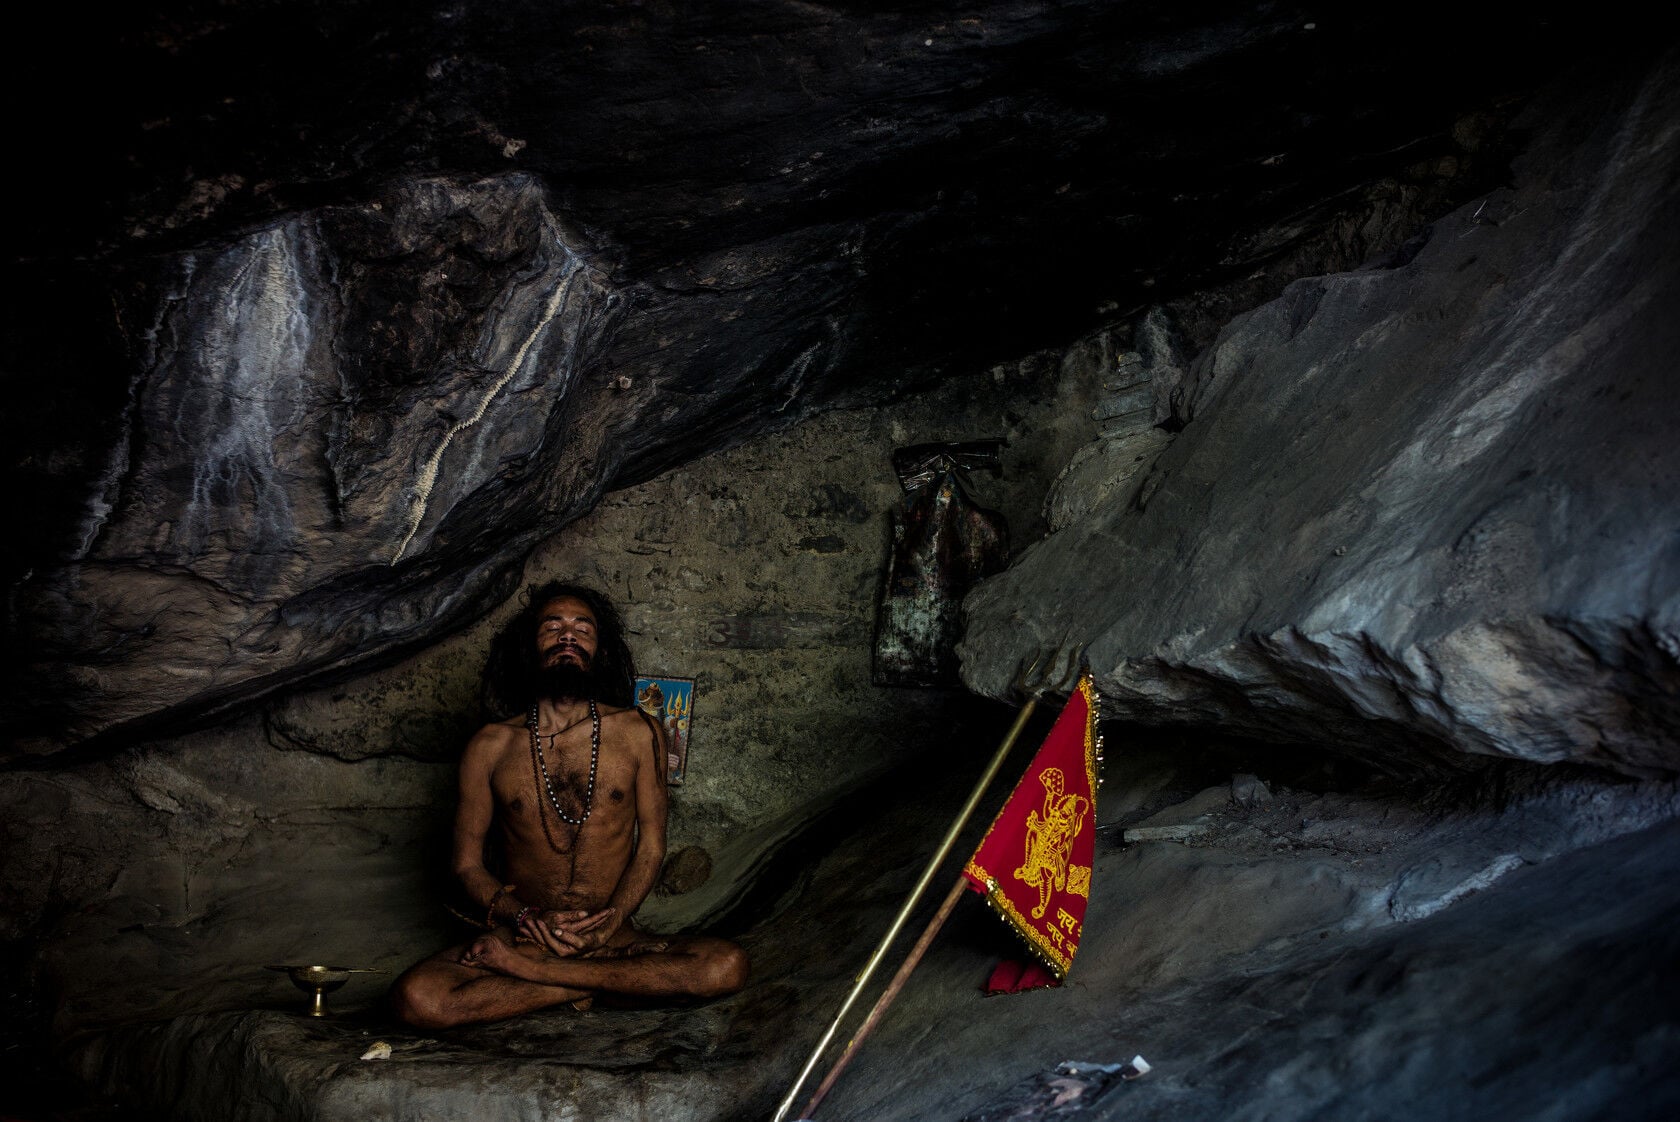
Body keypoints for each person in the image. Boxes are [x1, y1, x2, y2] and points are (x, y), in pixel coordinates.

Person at [390, 581, 749, 1029]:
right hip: (527, 934)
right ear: (529, 646)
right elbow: (466, 866)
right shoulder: (490, 746)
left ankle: (542, 980)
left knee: (724, 965)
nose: (568, 636)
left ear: (599, 648)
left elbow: (651, 847)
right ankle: (597, 983)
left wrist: (611, 921)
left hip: (613, 934)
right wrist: (525, 917)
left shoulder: (640, 732)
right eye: (552, 626)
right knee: (417, 998)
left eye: (583, 628)